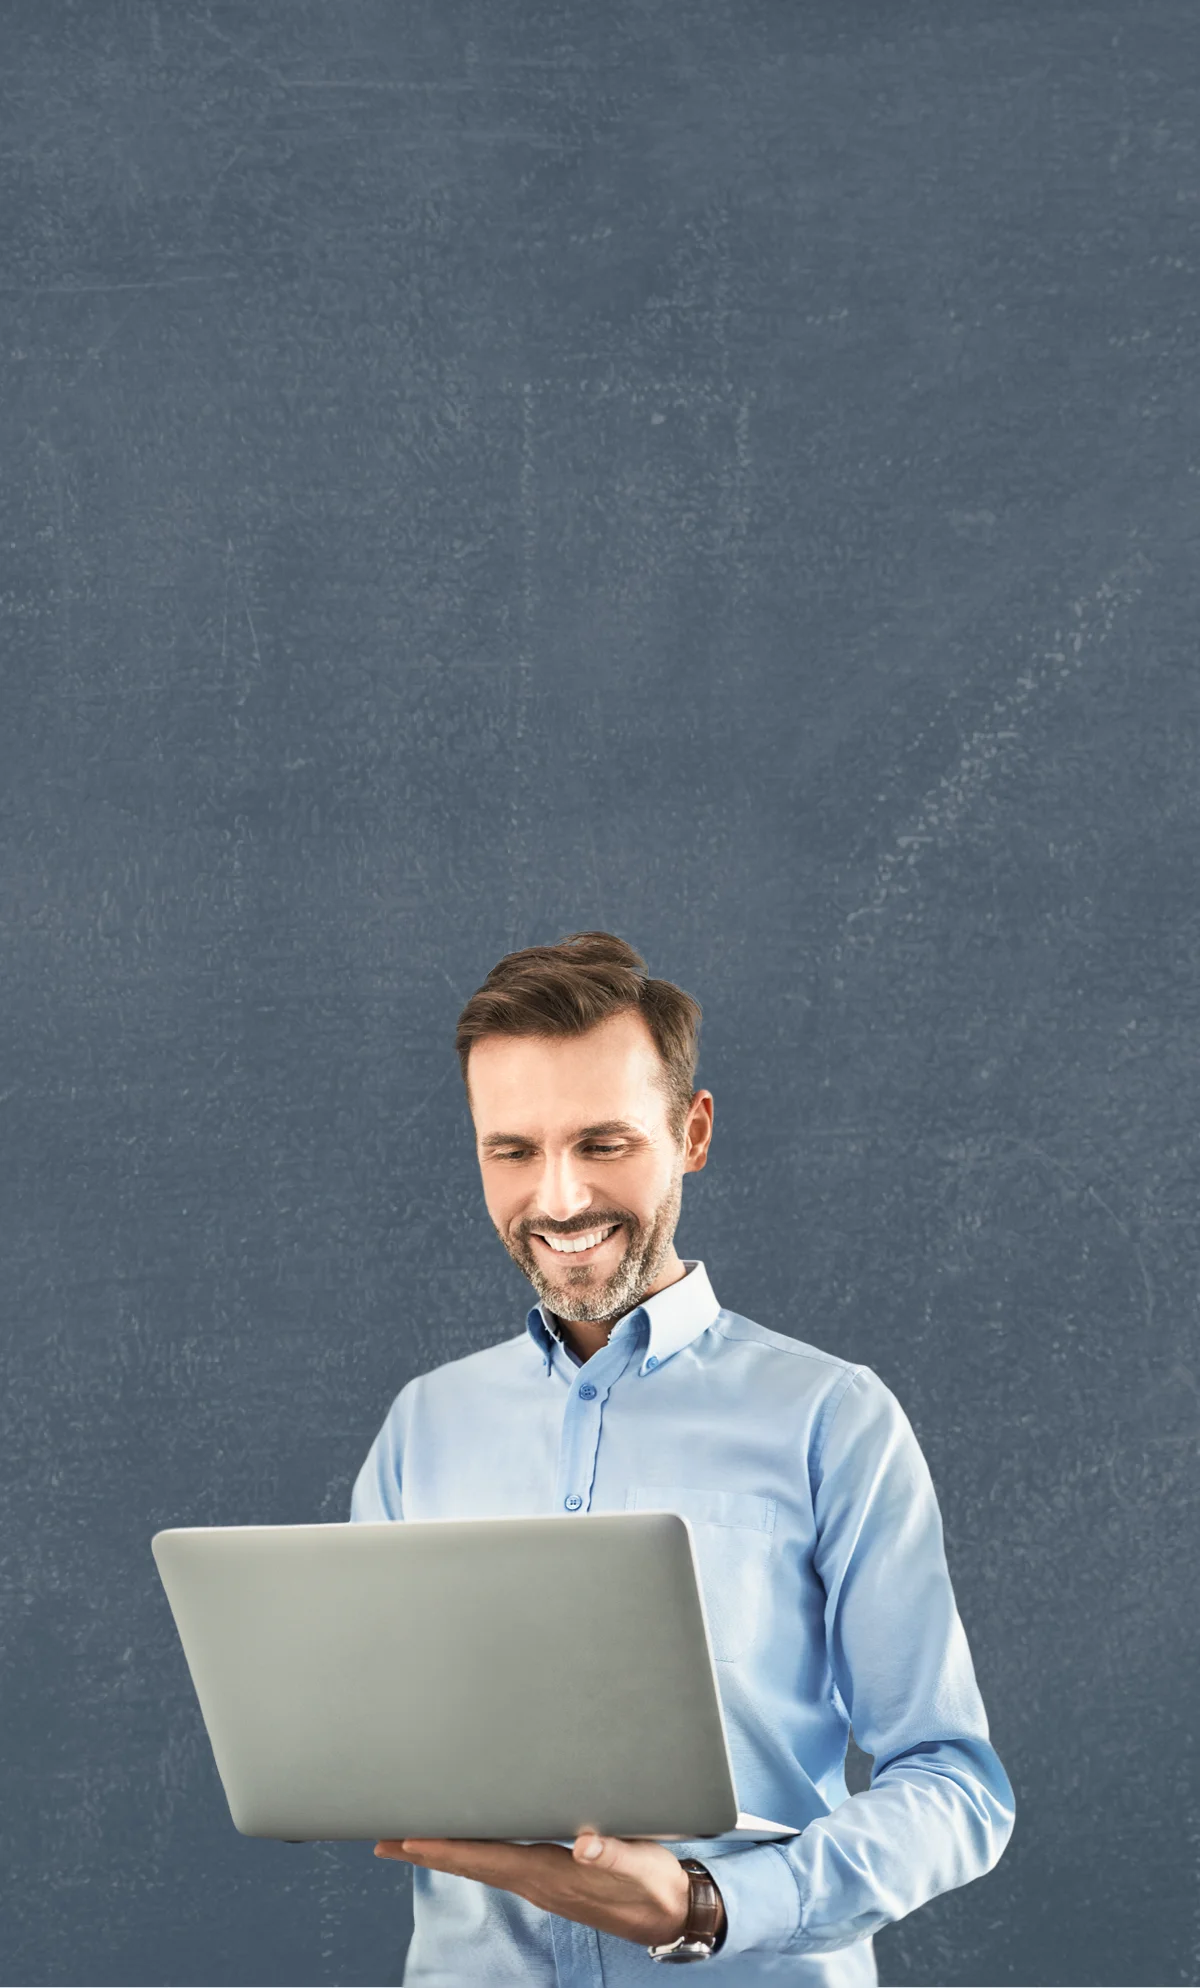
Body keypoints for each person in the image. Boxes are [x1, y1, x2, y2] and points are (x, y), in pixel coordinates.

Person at [351, 931, 1015, 1984]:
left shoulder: (831, 1418)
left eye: (603, 1142)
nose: (559, 1199)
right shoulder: (423, 1426)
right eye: (512, 1149)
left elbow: (955, 1788)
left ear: (691, 1132)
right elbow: (364, 1736)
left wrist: (709, 1905)